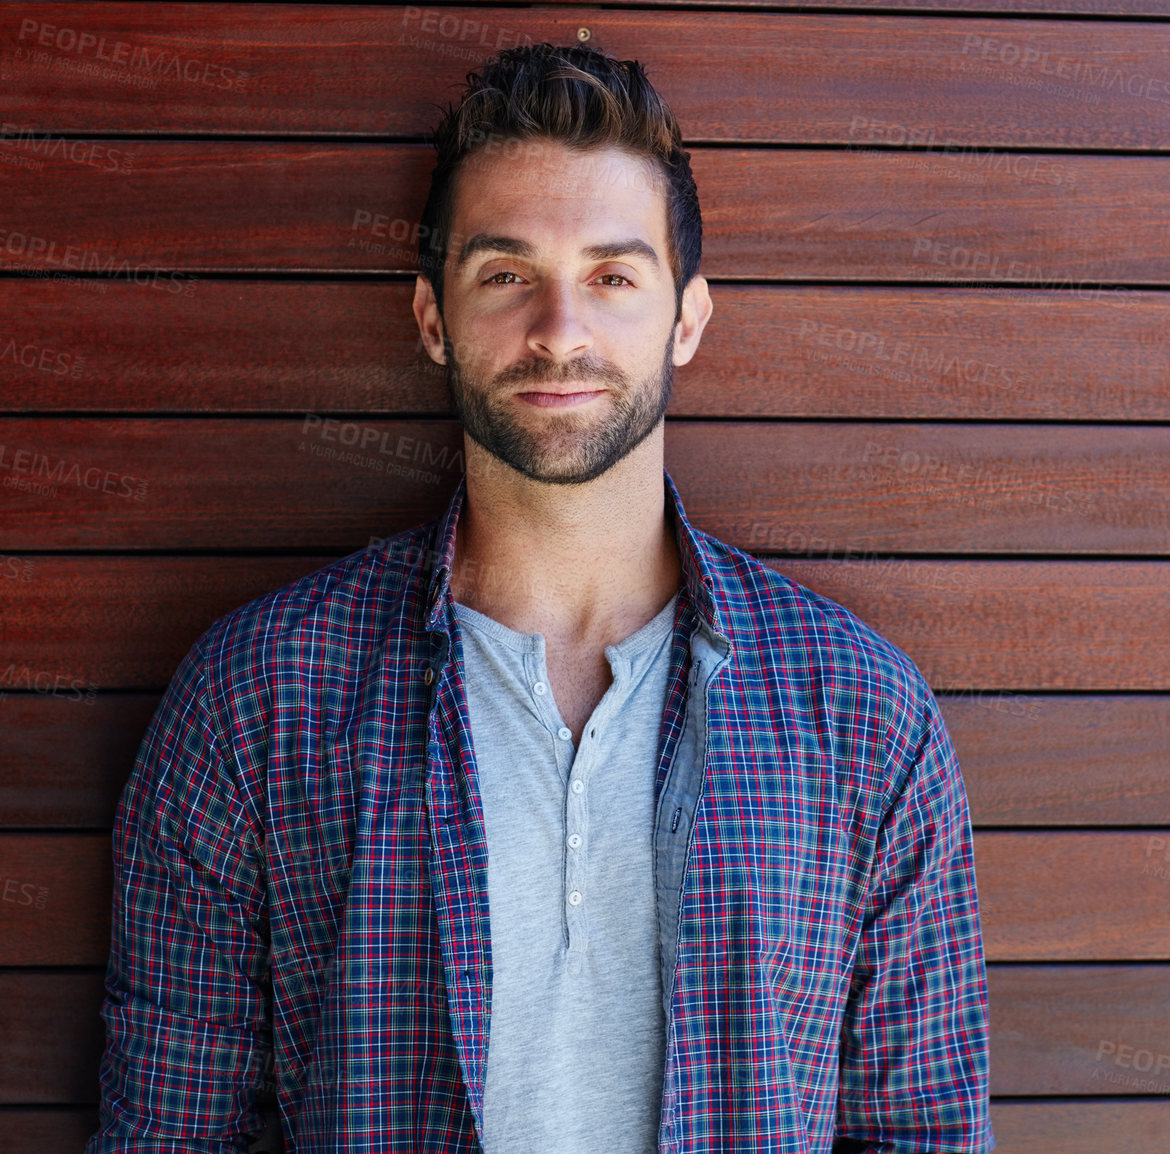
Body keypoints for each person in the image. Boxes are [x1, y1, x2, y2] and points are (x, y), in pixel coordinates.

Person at [85, 41, 993, 1154]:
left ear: (688, 318)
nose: (559, 328)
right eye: (506, 273)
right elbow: (166, 1135)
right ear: (432, 318)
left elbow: (922, 1134)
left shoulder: (861, 715)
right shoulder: (257, 698)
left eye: (613, 276)